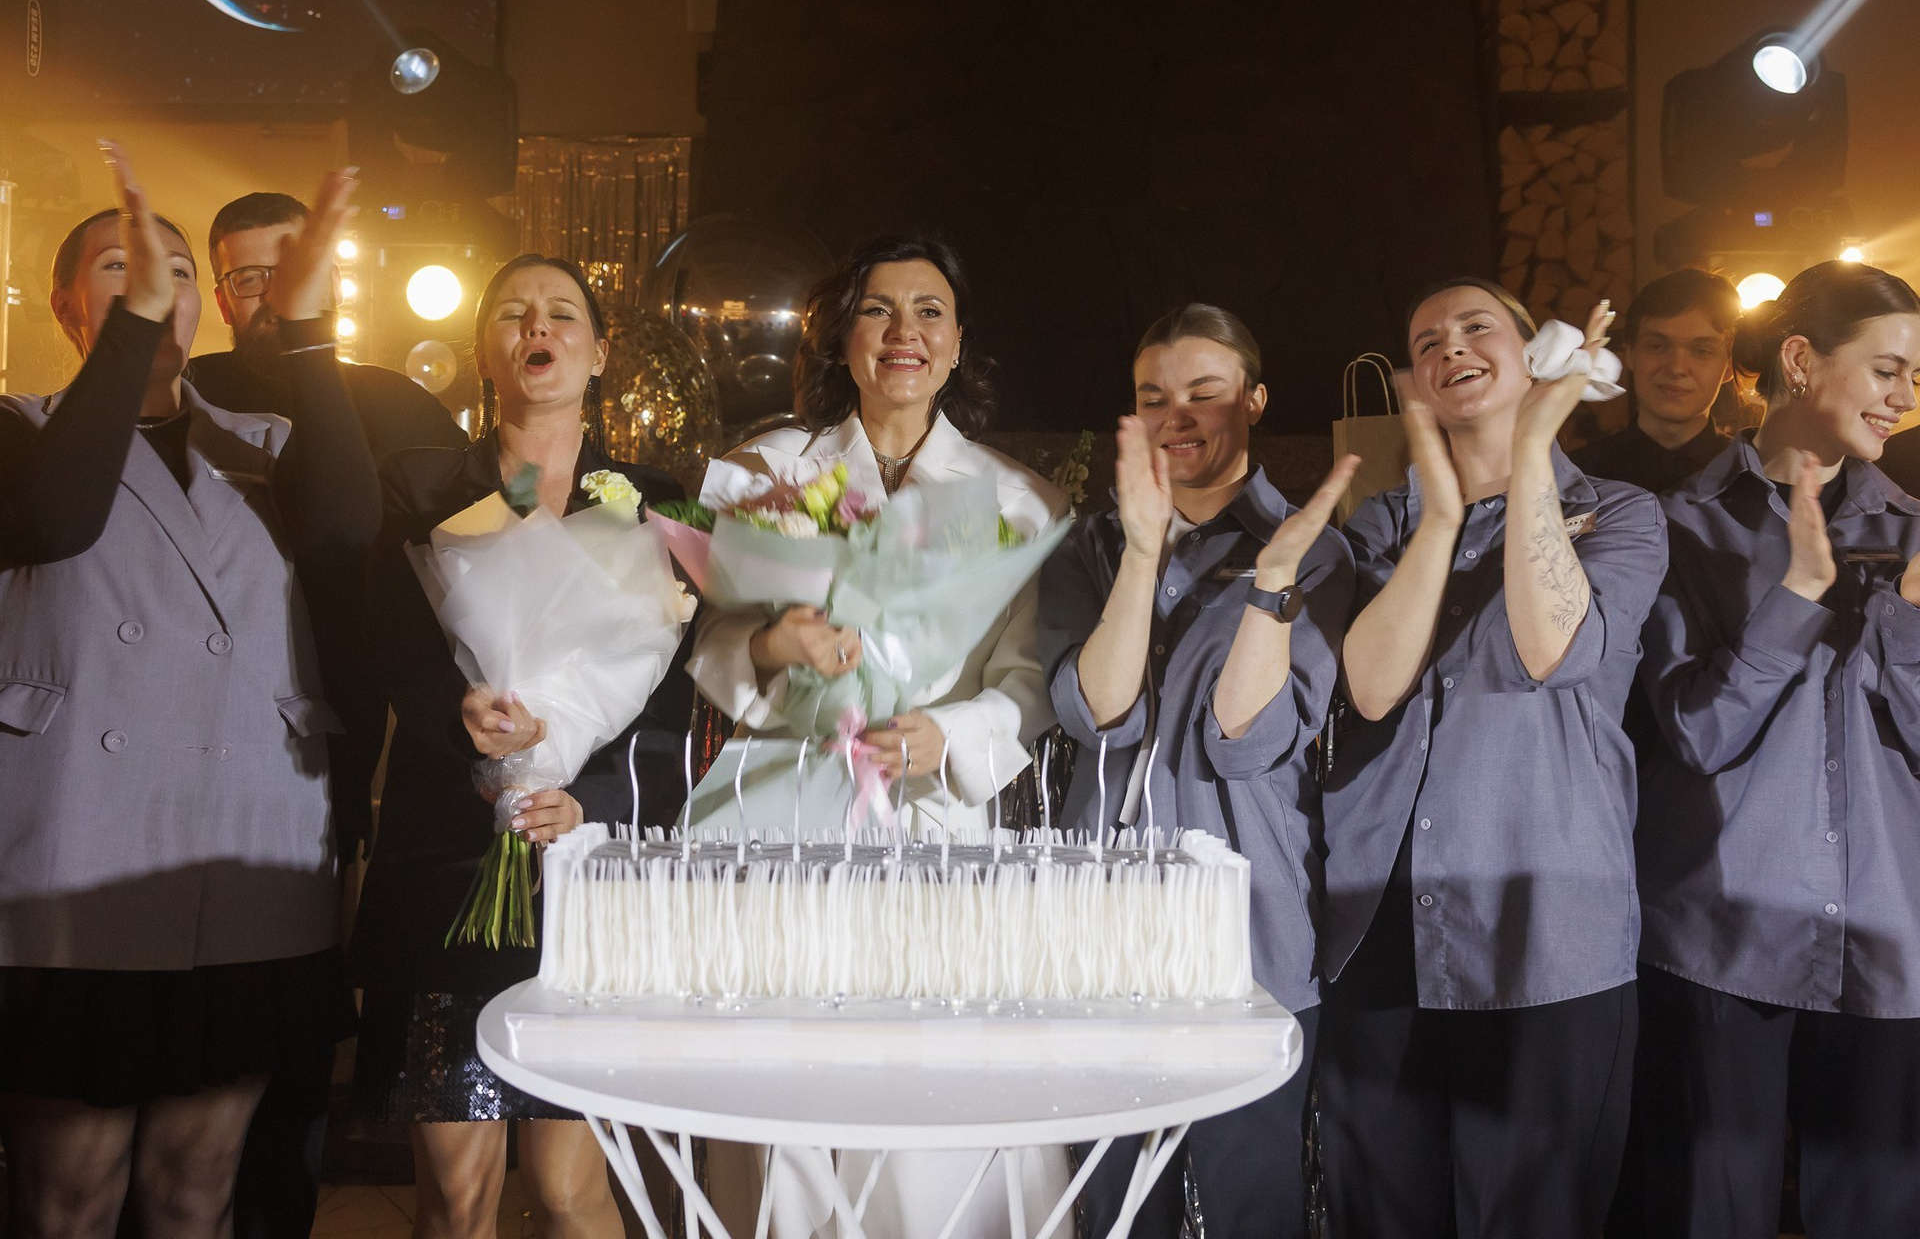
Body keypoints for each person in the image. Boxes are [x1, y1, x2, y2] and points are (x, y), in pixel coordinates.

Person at [0, 146, 377, 1237]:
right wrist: (131, 339)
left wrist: (308, 333)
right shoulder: (20, 431)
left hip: (245, 844)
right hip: (81, 859)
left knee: (198, 1188)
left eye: (174, 270)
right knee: (67, 1193)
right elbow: (60, 517)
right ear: (69, 307)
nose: (155, 286)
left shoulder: (265, 443)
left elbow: (349, 528)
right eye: (119, 266)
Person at [690, 236, 1069, 1239]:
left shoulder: (1019, 498)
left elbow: (1029, 681)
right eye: (878, 309)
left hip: (933, 825)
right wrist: (774, 642)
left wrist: (950, 733)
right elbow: (713, 640)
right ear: (843, 337)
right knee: (790, 1104)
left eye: (929, 311)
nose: (905, 331)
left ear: (958, 343)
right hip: (786, 819)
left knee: (932, 1108)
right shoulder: (768, 469)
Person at [349, 253, 692, 1239]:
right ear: (484, 353)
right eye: (513, 313)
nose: (538, 327)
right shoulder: (421, 486)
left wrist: (591, 799)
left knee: (571, 1190)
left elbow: (675, 700)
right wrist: (459, 718)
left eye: (561, 313)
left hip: (585, 877)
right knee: (456, 1198)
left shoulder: (656, 501)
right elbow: (387, 648)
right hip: (449, 866)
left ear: (599, 352)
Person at [1316, 280, 1666, 1237]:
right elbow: (1371, 689)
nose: (1450, 347)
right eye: (1427, 339)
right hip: (1380, 924)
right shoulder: (1381, 528)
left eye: (1477, 328)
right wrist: (1440, 517)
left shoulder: (1622, 513)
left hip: (1544, 929)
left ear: (1537, 353)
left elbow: (1551, 651)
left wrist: (1531, 452)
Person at [1038, 303, 1356, 1239]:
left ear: (1254, 400)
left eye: (1204, 393)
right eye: (1152, 397)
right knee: (1112, 1206)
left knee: (1252, 1201)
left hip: (1247, 928)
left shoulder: (1312, 548)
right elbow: (1097, 715)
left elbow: (1244, 742)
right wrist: (1142, 554)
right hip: (1100, 932)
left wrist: (1272, 583)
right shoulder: (1089, 547)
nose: (1176, 415)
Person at [191, 191, 471, 1239]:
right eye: (249, 274)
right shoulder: (181, 392)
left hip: (346, 750)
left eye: (294, 265)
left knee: (297, 1020)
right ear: (219, 292)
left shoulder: (398, 407)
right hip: (182, 746)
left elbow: (470, 572)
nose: (274, 292)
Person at [1631, 261, 1920, 1237]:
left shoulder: (1915, 533)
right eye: (1887, 370)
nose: (1906, 397)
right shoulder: (1674, 525)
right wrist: (1794, 598)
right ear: (1801, 360)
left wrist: (1912, 620)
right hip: (1724, 934)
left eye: (1916, 377)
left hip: (1886, 937)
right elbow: (1696, 731)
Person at [1573, 268, 1737, 494]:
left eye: (1701, 351)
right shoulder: (1579, 476)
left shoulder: (1751, 475)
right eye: (1657, 346)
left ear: (1728, 366)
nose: (1676, 368)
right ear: (1630, 353)